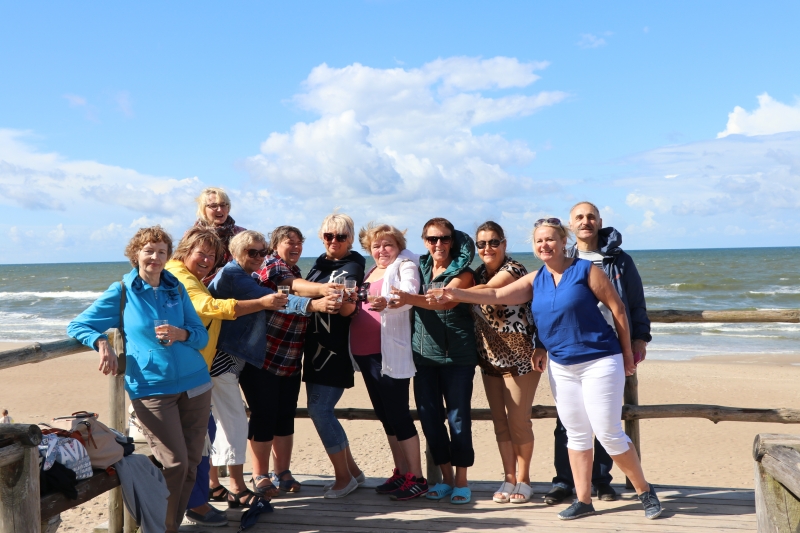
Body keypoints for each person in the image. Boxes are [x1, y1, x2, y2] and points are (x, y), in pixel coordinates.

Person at [440, 217, 662, 521]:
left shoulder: (586, 270)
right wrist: (456, 294)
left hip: (600, 360)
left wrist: (627, 353)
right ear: (534, 246)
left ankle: (645, 491)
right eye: (539, 241)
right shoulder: (536, 280)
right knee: (576, 434)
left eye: (550, 239)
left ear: (563, 242)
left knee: (608, 432)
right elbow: (496, 295)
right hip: (561, 366)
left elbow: (618, 309)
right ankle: (583, 500)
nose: (545, 245)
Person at [67, 226, 212, 533]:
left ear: (168, 256)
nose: (155, 257)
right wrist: (101, 342)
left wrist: (181, 334)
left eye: (161, 252)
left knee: (192, 463)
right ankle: (157, 527)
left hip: (196, 384)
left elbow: (201, 336)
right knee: (174, 463)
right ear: (136, 254)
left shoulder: (176, 288)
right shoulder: (122, 291)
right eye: (149, 251)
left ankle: (170, 526)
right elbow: (78, 325)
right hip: (151, 388)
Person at [166, 227, 286, 525]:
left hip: (203, 364)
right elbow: (206, 306)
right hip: (211, 363)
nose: (207, 260)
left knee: (209, 428)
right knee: (232, 422)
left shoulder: (196, 275)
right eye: (201, 254)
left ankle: (210, 487)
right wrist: (266, 303)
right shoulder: (187, 276)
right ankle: (234, 486)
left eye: (262, 252)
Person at [206, 231, 332, 501]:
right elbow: (274, 299)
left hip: (258, 357)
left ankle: (218, 483)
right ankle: (242, 482)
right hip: (234, 358)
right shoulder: (239, 274)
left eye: (261, 252)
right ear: (236, 253)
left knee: (229, 421)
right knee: (236, 422)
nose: (258, 257)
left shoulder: (249, 274)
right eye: (252, 252)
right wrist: (316, 303)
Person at [545, 201, 653, 504]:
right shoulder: (562, 258)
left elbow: (635, 302)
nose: (585, 221)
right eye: (579, 217)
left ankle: (601, 480)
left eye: (591, 217)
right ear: (570, 225)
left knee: (605, 418)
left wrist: (639, 339)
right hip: (569, 350)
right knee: (567, 423)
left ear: (600, 221)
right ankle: (564, 481)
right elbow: (545, 303)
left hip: (608, 350)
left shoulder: (619, 260)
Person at [245, 226, 340, 496]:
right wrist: (322, 291)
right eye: (290, 242)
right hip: (263, 357)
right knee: (264, 416)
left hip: (290, 358)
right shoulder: (272, 265)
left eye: (300, 242)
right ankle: (260, 475)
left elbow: (296, 282)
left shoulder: (295, 269)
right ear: (275, 245)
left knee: (285, 416)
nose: (296, 247)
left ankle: (283, 471)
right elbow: (291, 285)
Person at [389, 217, 477, 504]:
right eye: (432, 239)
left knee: (458, 419)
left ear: (453, 240)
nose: (439, 244)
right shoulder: (420, 266)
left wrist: (406, 298)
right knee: (430, 420)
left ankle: (462, 481)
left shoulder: (464, 273)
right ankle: (446, 479)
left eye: (445, 238)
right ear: (424, 242)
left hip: (458, 357)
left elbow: (445, 301)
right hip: (424, 357)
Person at [471, 221, 547, 504]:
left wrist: (453, 293)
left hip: (520, 359)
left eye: (494, 242)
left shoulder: (513, 270)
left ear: (504, 244)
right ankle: (509, 477)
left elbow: (491, 291)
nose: (488, 248)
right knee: (500, 422)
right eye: (482, 244)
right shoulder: (477, 274)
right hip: (489, 358)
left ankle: (525, 480)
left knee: (518, 422)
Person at [351, 222, 427, 500]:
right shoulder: (371, 271)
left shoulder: (405, 265)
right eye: (376, 245)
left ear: (398, 247)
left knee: (399, 415)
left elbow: (407, 293)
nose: (382, 250)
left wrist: (387, 301)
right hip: (364, 353)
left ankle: (417, 477)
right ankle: (401, 472)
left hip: (389, 354)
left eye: (388, 245)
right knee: (385, 417)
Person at [303, 213, 366, 499]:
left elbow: (346, 300)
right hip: (315, 349)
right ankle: (353, 472)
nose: (334, 241)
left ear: (350, 239)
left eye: (341, 236)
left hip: (334, 350)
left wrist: (343, 302)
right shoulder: (320, 264)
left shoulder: (352, 265)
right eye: (329, 235)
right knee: (320, 409)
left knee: (320, 410)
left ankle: (343, 477)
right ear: (321, 237)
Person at [192, 187, 246, 284]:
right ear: (203, 209)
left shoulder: (241, 234)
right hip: (198, 285)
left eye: (223, 205)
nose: (220, 209)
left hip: (235, 285)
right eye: (213, 206)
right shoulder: (193, 235)